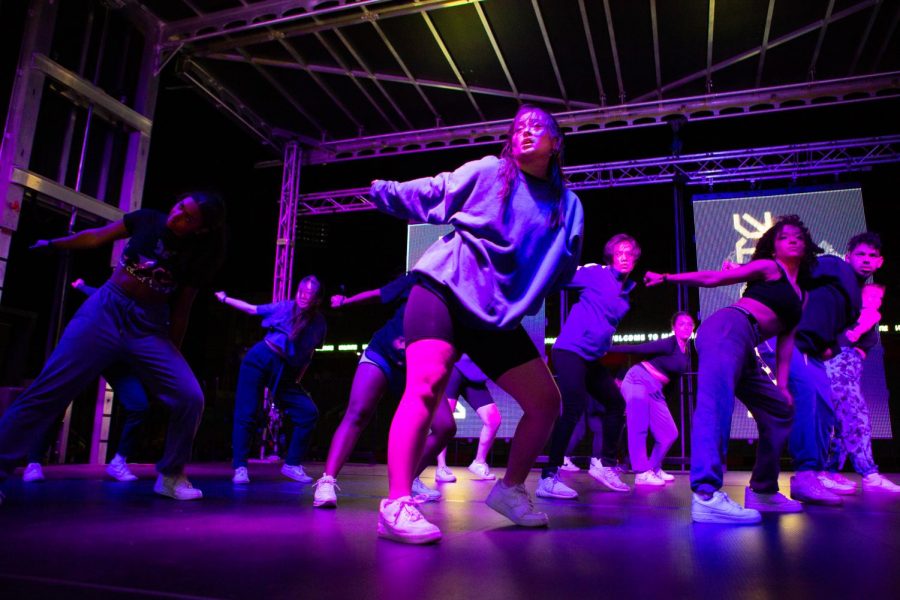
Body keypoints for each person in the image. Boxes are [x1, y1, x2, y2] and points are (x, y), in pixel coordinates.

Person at [369, 104, 583, 544]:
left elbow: (562, 267)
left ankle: (509, 490)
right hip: (444, 289)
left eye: (537, 126)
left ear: (556, 143)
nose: (525, 132)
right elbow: (436, 192)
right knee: (425, 387)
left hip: (495, 316)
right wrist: (384, 190)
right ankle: (395, 504)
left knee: (546, 403)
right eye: (518, 127)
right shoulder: (491, 173)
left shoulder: (568, 206)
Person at [0, 192, 226, 502]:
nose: (176, 215)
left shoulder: (199, 255)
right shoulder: (148, 219)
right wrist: (54, 243)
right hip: (105, 311)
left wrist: (171, 356)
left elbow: (182, 308)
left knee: (190, 396)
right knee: (46, 390)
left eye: (187, 217)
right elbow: (96, 237)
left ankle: (171, 476)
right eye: (179, 206)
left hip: (148, 325)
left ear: (201, 229)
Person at [645, 214, 819, 523]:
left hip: (745, 344)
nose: (792, 239)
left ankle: (763, 490)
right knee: (716, 405)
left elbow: (786, 342)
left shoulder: (802, 296)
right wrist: (667, 277)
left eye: (798, 237)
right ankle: (706, 495)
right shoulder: (769, 268)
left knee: (780, 410)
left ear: (806, 248)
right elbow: (714, 278)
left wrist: (782, 385)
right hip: (728, 328)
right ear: (773, 248)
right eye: (783, 236)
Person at [313, 273, 457, 508]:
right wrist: (346, 301)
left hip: (419, 366)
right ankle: (326, 481)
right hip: (384, 353)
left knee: (445, 427)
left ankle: (408, 479)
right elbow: (378, 295)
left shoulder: (463, 297)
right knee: (358, 412)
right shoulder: (421, 278)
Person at [537, 235, 641, 501]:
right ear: (611, 257)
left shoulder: (628, 292)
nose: (625, 256)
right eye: (619, 252)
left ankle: (604, 464)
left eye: (630, 253)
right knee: (574, 406)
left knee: (616, 404)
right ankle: (548, 476)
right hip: (569, 351)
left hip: (591, 359)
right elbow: (560, 276)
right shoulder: (595, 273)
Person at [787, 232, 885, 504]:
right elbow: (794, 272)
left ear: (880, 262)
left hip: (816, 352)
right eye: (860, 254)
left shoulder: (855, 297)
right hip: (792, 341)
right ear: (848, 256)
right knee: (812, 409)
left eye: (871, 256)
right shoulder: (834, 265)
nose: (866, 260)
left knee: (826, 412)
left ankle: (819, 473)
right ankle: (807, 476)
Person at [216, 277, 326, 485]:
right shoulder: (285, 307)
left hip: (285, 370)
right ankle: (240, 467)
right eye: (301, 291)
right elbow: (251, 309)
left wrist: (297, 379)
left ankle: (292, 464)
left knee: (308, 412)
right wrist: (224, 299)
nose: (303, 296)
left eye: (309, 293)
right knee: (246, 413)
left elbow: (309, 354)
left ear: (317, 299)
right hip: (260, 358)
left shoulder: (319, 323)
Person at [823, 282, 899, 493]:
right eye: (870, 296)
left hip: (849, 372)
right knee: (856, 420)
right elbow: (852, 336)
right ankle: (869, 474)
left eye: (879, 299)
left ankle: (830, 473)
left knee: (842, 425)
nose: (875, 302)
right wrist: (861, 327)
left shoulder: (870, 319)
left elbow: (861, 350)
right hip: (838, 371)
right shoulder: (850, 314)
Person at [613, 311, 694, 486]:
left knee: (669, 433)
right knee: (638, 426)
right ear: (673, 328)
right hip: (638, 379)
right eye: (681, 324)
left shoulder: (686, 352)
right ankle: (642, 473)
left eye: (689, 324)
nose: (686, 327)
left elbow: (672, 382)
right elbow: (637, 349)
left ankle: (653, 468)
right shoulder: (669, 344)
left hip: (656, 389)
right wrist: (607, 348)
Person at [434, 354, 502, 482]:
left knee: (493, 420)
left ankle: (479, 462)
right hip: (454, 368)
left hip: (475, 375)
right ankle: (441, 467)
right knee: (445, 422)